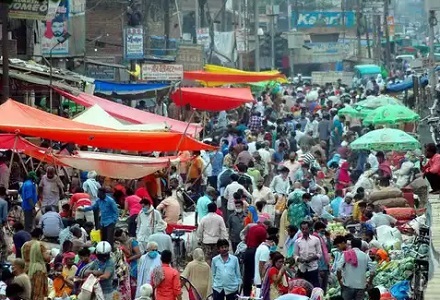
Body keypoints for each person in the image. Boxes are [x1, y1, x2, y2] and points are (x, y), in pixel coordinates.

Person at [294, 221, 322, 288]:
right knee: (303, 288)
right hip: (302, 269)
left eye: (306, 229)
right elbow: (295, 255)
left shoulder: (316, 240)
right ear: (300, 230)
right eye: (303, 229)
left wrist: (312, 258)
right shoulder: (297, 241)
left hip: (313, 268)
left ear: (309, 228)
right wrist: (299, 259)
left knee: (315, 287)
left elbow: (320, 254)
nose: (304, 231)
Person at [28, 235, 50, 300]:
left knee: (32, 289)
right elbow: (46, 258)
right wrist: (49, 255)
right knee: (38, 292)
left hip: (32, 268)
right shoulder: (41, 245)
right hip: (39, 269)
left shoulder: (33, 245)